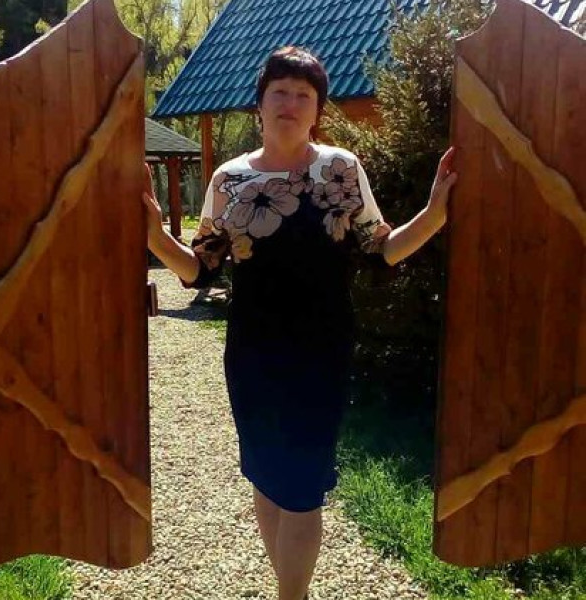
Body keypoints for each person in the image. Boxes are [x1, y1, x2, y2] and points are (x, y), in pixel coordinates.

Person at [143, 46, 457, 600]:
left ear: (317, 109)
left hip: (320, 352)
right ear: (260, 103)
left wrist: (434, 215)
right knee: (267, 475)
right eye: (280, 92)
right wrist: (153, 237)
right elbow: (199, 270)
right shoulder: (229, 179)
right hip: (251, 355)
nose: (290, 103)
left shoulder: (339, 169)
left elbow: (380, 249)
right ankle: (292, 589)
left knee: (304, 488)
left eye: (303, 95)